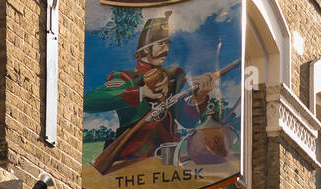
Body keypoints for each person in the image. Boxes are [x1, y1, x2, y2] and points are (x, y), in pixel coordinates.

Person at [83, 12, 219, 175]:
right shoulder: (126, 78)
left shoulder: (170, 80)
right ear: (145, 49)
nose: (166, 49)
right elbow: (89, 102)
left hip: (168, 159)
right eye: (161, 44)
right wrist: (140, 92)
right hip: (131, 161)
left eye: (167, 44)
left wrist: (200, 97)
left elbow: (188, 121)